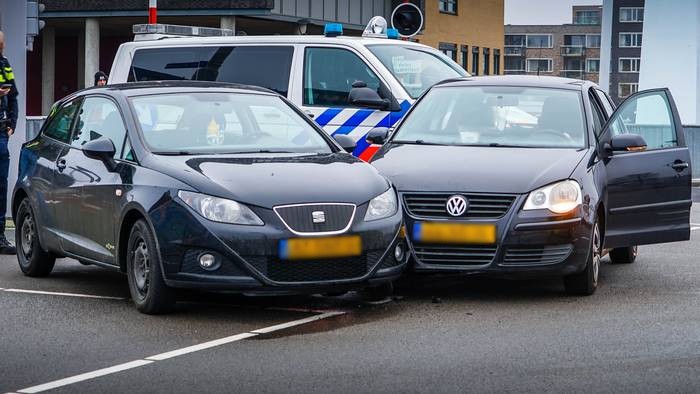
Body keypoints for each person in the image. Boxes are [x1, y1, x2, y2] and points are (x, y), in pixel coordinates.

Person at [0, 30, 17, 254]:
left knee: (1, 185)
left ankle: (0, 235)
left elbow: (13, 94)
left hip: (1, 132)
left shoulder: (4, 63)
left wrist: (12, 120)